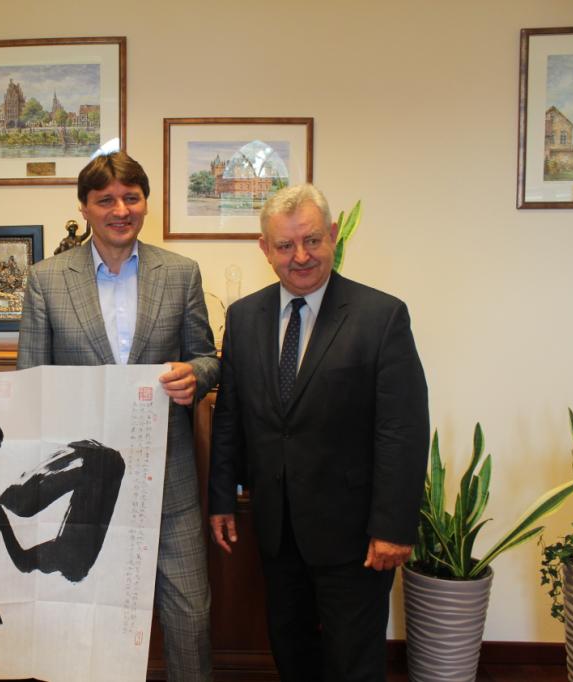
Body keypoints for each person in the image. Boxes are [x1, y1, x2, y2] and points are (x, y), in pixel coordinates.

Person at [208, 184, 429, 682]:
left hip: (355, 536)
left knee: (354, 662)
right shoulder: (243, 318)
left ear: (332, 235)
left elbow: (403, 429)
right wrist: (222, 497)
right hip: (277, 530)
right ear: (265, 249)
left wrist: (394, 527)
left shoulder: (381, 317)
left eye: (311, 240)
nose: (301, 256)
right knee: (292, 652)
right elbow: (231, 417)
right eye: (285, 245)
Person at [17, 151, 219, 681]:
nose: (120, 210)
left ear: (146, 203)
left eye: (131, 198)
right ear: (84, 208)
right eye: (105, 200)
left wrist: (195, 376)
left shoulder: (180, 273)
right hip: (81, 483)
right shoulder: (46, 280)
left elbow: (207, 357)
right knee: (84, 617)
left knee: (189, 615)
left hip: (167, 477)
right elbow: (29, 379)